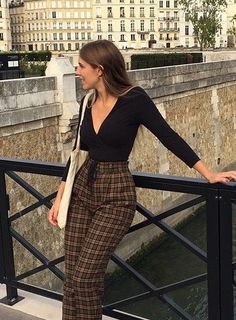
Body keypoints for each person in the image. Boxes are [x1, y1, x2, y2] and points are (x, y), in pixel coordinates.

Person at [48, 40, 236, 320]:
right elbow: (78, 153)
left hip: (115, 197)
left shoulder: (134, 99)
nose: (77, 71)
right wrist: (60, 196)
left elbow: (168, 135)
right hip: (82, 189)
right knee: (73, 275)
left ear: (99, 70)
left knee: (86, 276)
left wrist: (207, 173)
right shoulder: (87, 101)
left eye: (81, 66)